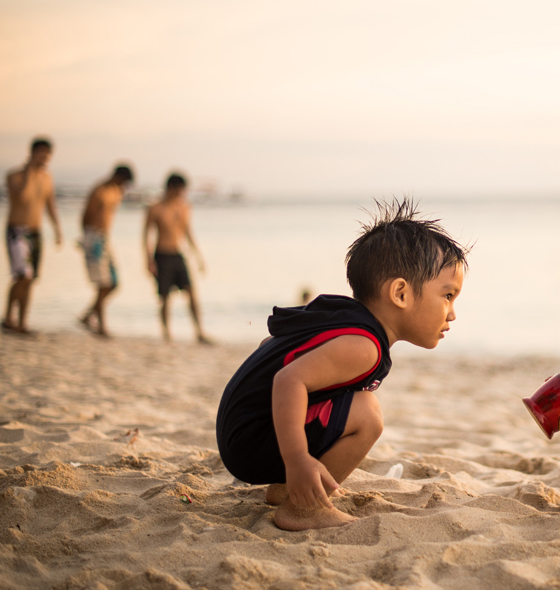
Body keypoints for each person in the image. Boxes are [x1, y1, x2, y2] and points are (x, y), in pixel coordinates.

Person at [216, 199, 468, 531]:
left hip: (245, 433)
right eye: (447, 296)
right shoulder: (365, 347)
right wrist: (296, 460)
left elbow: (270, 347)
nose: (452, 313)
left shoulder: (343, 319)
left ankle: (286, 488)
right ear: (401, 294)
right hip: (250, 444)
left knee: (349, 402)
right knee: (367, 414)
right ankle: (302, 508)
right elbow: (287, 381)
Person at [1, 138, 63, 334]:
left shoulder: (47, 177)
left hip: (36, 232)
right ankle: (8, 316)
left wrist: (57, 229)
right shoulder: (15, 176)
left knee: (31, 278)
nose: (45, 157)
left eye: (48, 153)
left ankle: (22, 322)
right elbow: (22, 197)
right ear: (33, 152)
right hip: (17, 231)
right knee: (22, 275)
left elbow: (50, 204)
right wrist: (29, 171)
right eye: (42, 152)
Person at [143, 173, 212, 344]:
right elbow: (146, 236)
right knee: (165, 296)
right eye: (181, 189)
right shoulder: (156, 208)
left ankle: (199, 332)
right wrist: (149, 260)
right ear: (172, 188)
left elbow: (189, 233)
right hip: (162, 255)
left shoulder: (185, 207)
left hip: (178, 255)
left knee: (191, 292)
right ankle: (167, 334)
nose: (183, 193)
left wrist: (198, 257)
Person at [78, 164, 134, 337]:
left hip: (105, 239)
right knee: (103, 283)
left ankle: (88, 316)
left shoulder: (116, 192)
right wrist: (88, 239)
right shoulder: (99, 190)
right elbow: (85, 217)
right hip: (95, 237)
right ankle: (101, 325)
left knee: (113, 283)